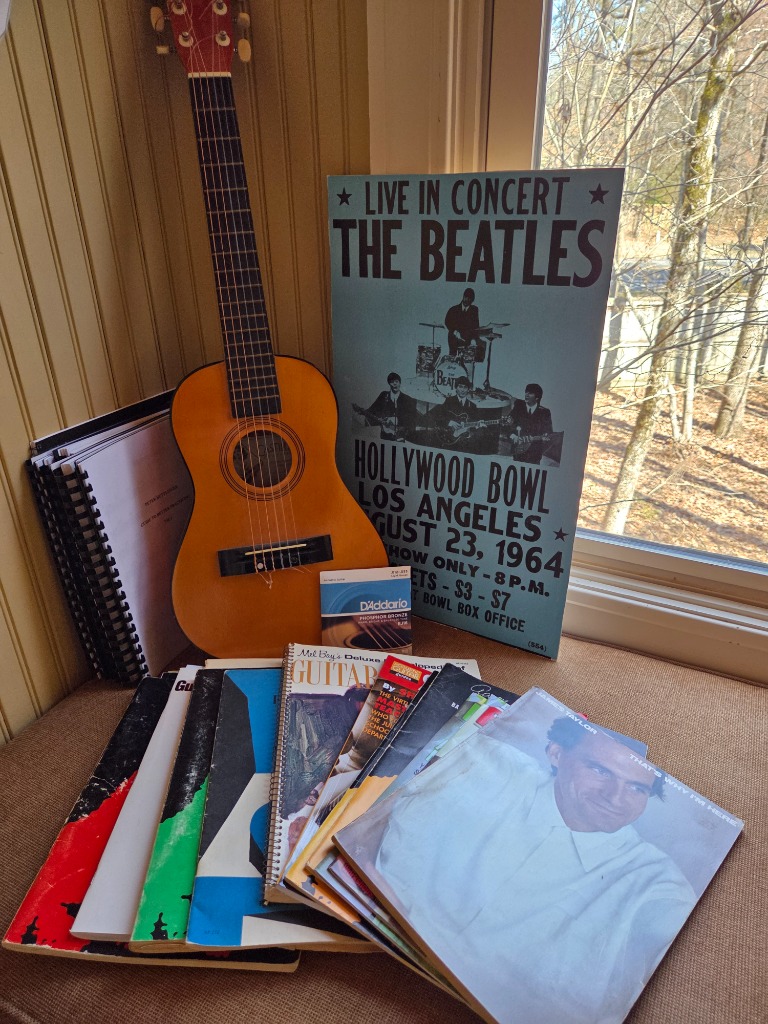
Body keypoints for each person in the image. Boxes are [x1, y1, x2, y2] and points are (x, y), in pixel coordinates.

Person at [371, 715, 697, 1024]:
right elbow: (373, 829)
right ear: (556, 754)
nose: (614, 797)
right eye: (600, 770)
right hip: (384, 946)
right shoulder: (485, 762)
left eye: (637, 789)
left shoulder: (659, 886)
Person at [353, 372, 419, 440]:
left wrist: (398, 421)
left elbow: (412, 418)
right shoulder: (384, 395)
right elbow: (372, 410)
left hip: (401, 437)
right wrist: (363, 412)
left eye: (396, 381)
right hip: (385, 435)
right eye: (392, 382)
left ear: (400, 383)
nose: (394, 384)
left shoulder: (407, 399)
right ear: (389, 384)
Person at [506, 382, 554, 464]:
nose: (526, 395)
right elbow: (507, 426)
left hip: (534, 455)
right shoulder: (518, 407)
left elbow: (548, 432)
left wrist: (542, 437)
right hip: (518, 452)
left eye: (530, 393)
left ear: (537, 397)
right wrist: (513, 437)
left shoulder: (545, 412)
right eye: (526, 392)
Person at [444, 288, 480, 358]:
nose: (467, 300)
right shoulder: (453, 309)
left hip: (467, 340)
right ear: (463, 296)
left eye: (469, 299)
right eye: (465, 297)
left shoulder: (474, 310)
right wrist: (454, 331)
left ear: (472, 300)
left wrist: (473, 338)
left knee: (465, 359)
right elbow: (447, 321)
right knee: (453, 358)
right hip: (453, 339)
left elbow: (475, 325)